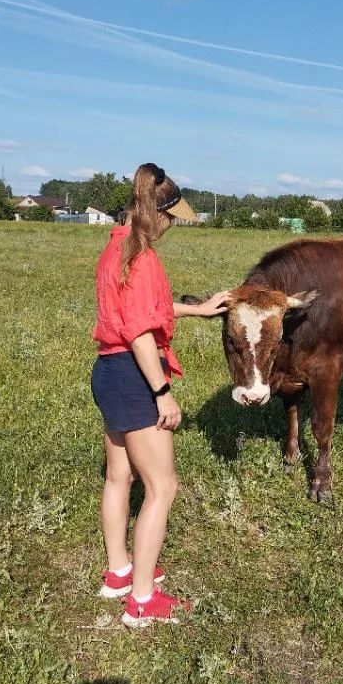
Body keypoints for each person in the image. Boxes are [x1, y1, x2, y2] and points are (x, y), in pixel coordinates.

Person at [90, 161, 230, 627]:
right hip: (135, 374)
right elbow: (141, 333)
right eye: (171, 218)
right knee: (162, 486)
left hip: (107, 372)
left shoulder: (114, 249)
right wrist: (162, 392)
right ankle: (143, 601)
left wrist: (200, 309)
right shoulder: (144, 258)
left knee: (118, 478)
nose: (172, 227)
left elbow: (144, 309)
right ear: (157, 212)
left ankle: (120, 574)